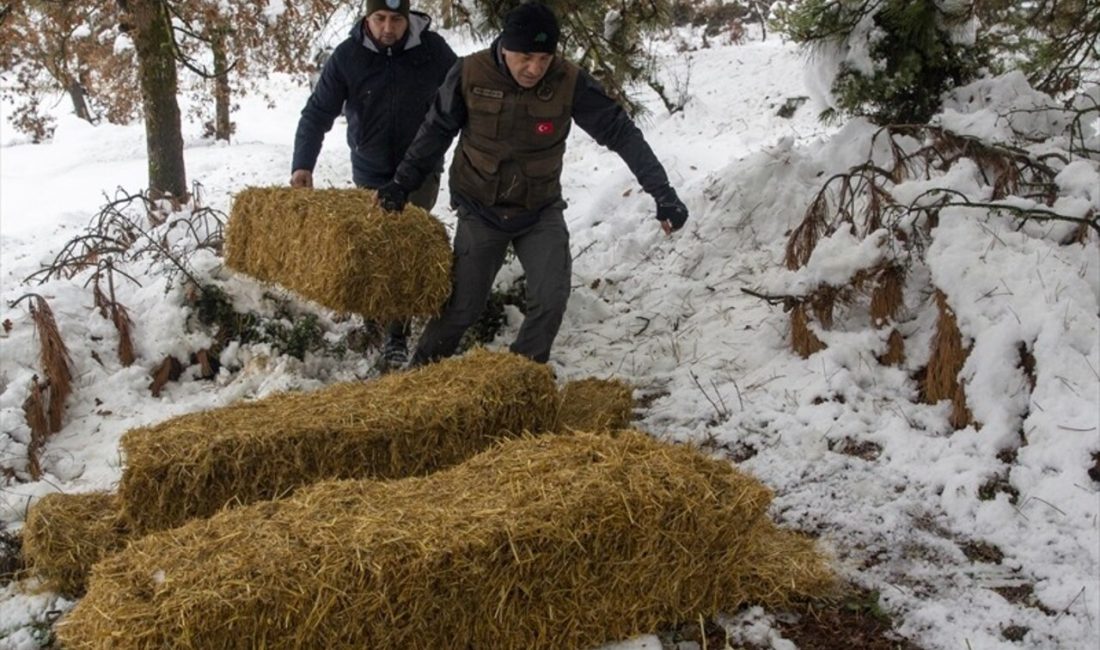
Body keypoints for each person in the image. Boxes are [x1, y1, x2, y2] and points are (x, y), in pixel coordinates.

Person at [376, 1, 689, 367]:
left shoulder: (568, 80)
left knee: (552, 298)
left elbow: (621, 132)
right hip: (481, 209)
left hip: (539, 210)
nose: (535, 68)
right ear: (505, 46)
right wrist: (401, 183)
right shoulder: (470, 73)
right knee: (462, 307)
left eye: (544, 58)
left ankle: (522, 376)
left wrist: (663, 194)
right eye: (525, 56)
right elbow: (435, 131)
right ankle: (420, 373)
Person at [290, 0, 457, 369]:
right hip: (370, 169)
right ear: (367, 17)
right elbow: (317, 112)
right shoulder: (348, 57)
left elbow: (463, 102)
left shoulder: (434, 52)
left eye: (396, 19)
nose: (387, 28)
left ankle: (396, 334)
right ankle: (374, 315)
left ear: (408, 18)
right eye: (380, 18)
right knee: (373, 243)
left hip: (420, 171)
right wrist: (303, 164)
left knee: (400, 243)